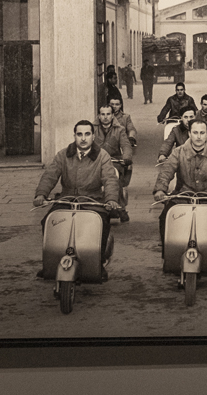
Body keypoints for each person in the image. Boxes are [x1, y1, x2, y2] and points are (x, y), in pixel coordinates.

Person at [32, 120, 121, 279]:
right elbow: (50, 175)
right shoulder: (63, 154)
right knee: (47, 221)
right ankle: (50, 263)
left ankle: (99, 264)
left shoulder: (102, 156)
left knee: (101, 222)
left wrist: (111, 199)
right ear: (74, 136)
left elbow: (110, 179)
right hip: (66, 199)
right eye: (79, 134)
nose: (83, 138)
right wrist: (41, 194)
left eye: (87, 134)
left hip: (92, 200)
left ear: (93, 136)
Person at [153, 117, 207, 273]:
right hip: (182, 196)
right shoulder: (178, 152)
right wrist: (160, 190)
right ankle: (168, 256)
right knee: (164, 217)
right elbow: (166, 171)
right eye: (195, 132)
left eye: (202, 133)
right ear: (189, 134)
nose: (199, 136)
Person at [95, 104, 133, 220]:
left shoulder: (120, 129)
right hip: (97, 161)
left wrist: (126, 157)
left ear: (112, 115)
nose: (105, 117)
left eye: (108, 114)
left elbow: (126, 145)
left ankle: (121, 208)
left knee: (116, 180)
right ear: (99, 116)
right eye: (103, 114)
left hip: (115, 161)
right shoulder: (93, 129)